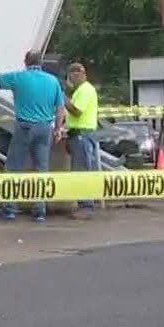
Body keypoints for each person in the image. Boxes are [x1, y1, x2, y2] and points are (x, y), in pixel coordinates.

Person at [0, 50, 66, 222]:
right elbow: (60, 109)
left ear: (25, 62)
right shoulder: (53, 82)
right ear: (40, 62)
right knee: (42, 170)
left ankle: (10, 208)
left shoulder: (19, 78)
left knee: (14, 169)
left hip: (24, 127)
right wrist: (58, 129)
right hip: (45, 128)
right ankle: (40, 210)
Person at [64, 62, 100, 218]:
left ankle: (86, 206)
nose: (69, 79)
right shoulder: (81, 90)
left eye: (70, 76)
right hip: (77, 135)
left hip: (82, 135)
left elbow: (77, 111)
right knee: (80, 170)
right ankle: (84, 204)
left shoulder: (85, 90)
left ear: (77, 73)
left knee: (82, 170)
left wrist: (63, 98)